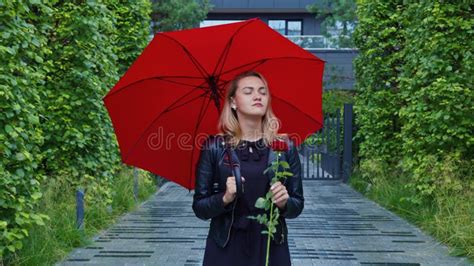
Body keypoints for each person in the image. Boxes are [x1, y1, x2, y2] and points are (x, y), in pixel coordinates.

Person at [192, 70, 304, 266]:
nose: (257, 96)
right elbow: (200, 208)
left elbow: (297, 205)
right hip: (226, 247)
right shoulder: (214, 147)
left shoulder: (284, 146)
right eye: (248, 91)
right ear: (233, 102)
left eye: (262, 91)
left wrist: (285, 202)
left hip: (271, 243)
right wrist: (225, 198)